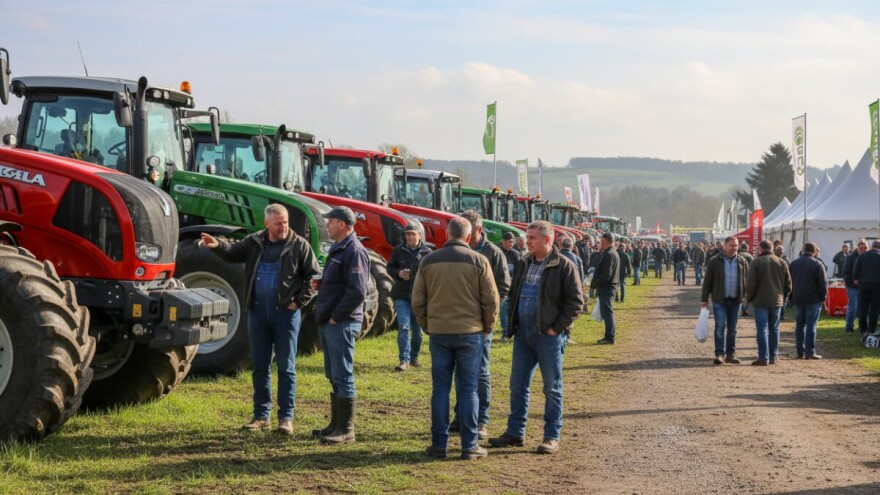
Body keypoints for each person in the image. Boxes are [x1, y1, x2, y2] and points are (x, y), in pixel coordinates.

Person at [200, 204, 320, 435]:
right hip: (257, 313)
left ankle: (286, 419)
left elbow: (314, 277)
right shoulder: (254, 242)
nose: (284, 226)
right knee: (260, 366)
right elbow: (233, 253)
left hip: (286, 314)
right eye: (278, 223)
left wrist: (298, 302)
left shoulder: (299, 245)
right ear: (267, 224)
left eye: (285, 222)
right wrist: (217, 245)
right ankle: (260, 416)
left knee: (286, 367)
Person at [489, 220, 583, 455]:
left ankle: (551, 437)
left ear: (548, 240)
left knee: (552, 388)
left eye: (532, 238)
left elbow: (576, 303)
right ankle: (515, 433)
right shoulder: (524, 262)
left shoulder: (564, 266)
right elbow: (514, 294)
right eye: (527, 238)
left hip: (548, 337)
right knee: (517, 386)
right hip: (523, 335)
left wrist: (556, 328)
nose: (527, 242)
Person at [412, 217, 498, 460]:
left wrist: (428, 325)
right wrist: (487, 327)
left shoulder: (428, 260)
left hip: (439, 332)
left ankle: (439, 445)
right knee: (469, 390)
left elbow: (418, 299)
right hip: (470, 332)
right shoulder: (479, 260)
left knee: (440, 389)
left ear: (446, 234)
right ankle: (469, 445)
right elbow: (491, 299)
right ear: (468, 237)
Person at [449, 210, 510, 440]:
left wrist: (488, 321)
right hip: (457, 323)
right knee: (459, 370)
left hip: (481, 324)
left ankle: (481, 420)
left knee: (481, 371)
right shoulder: (455, 251)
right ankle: (460, 416)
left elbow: (503, 288)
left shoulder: (493, 254)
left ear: (477, 230)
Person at [311, 206, 370, 444]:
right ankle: (335, 424)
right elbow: (342, 283)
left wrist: (337, 316)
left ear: (343, 225)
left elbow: (357, 291)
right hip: (331, 321)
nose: (327, 225)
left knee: (343, 375)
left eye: (331, 221)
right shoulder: (339, 248)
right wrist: (323, 283)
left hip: (342, 322)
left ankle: (346, 430)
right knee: (333, 374)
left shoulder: (354, 250)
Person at [387, 224, 432, 372]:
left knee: (418, 331)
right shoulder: (398, 250)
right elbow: (390, 268)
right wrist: (398, 273)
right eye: (407, 235)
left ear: (419, 235)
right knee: (404, 326)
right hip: (402, 295)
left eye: (413, 234)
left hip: (419, 296)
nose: (410, 237)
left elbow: (432, 274)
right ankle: (404, 360)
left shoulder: (427, 252)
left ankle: (414, 358)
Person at [701, 236, 748, 365]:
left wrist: (746, 294)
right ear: (725, 246)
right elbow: (707, 281)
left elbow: (747, 279)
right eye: (731, 245)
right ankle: (720, 354)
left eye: (736, 245)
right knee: (720, 326)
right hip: (719, 299)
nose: (734, 248)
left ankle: (730, 355)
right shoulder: (715, 261)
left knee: (732, 328)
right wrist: (704, 299)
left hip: (736, 300)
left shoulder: (742, 261)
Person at [745, 240, 792, 365]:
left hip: (760, 301)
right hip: (776, 300)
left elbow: (750, 283)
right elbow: (788, 284)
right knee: (774, 329)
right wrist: (783, 296)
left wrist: (749, 298)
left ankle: (763, 357)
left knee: (762, 329)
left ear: (760, 249)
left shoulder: (756, 262)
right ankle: (773, 356)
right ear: (772, 248)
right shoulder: (781, 262)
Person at [790, 242, 828, 359]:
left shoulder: (794, 263)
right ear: (815, 251)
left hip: (798, 298)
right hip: (813, 299)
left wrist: (791, 297)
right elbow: (823, 283)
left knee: (800, 326)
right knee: (811, 326)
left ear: (803, 249)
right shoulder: (818, 264)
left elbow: (789, 282)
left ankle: (800, 351)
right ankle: (810, 352)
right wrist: (823, 297)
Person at [591, 232, 620, 344]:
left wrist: (596, 284)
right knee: (607, 312)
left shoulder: (609, 254)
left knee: (607, 312)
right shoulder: (613, 252)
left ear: (606, 241)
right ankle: (609, 336)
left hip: (607, 287)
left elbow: (606, 274)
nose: (600, 244)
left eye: (602, 241)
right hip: (610, 286)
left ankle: (609, 337)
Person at [853, 240, 880, 338]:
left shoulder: (862, 256)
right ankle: (872, 329)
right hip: (877, 285)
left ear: (872, 246)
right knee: (874, 308)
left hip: (864, 284)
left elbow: (856, 270)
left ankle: (863, 329)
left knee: (863, 307)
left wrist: (856, 278)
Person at [499, 231, 522, 338]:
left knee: (508, 308)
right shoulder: (497, 252)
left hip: (512, 286)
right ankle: (505, 332)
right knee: (503, 308)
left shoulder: (515, 254)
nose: (511, 244)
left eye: (512, 242)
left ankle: (509, 331)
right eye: (509, 242)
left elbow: (519, 270)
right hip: (499, 285)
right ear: (503, 241)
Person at [842, 240, 867, 333]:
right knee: (853, 307)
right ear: (857, 248)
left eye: (865, 248)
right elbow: (845, 273)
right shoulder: (850, 257)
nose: (863, 250)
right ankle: (849, 327)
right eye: (861, 248)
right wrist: (853, 283)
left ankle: (862, 327)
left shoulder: (867, 257)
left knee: (863, 307)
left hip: (864, 286)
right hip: (853, 286)